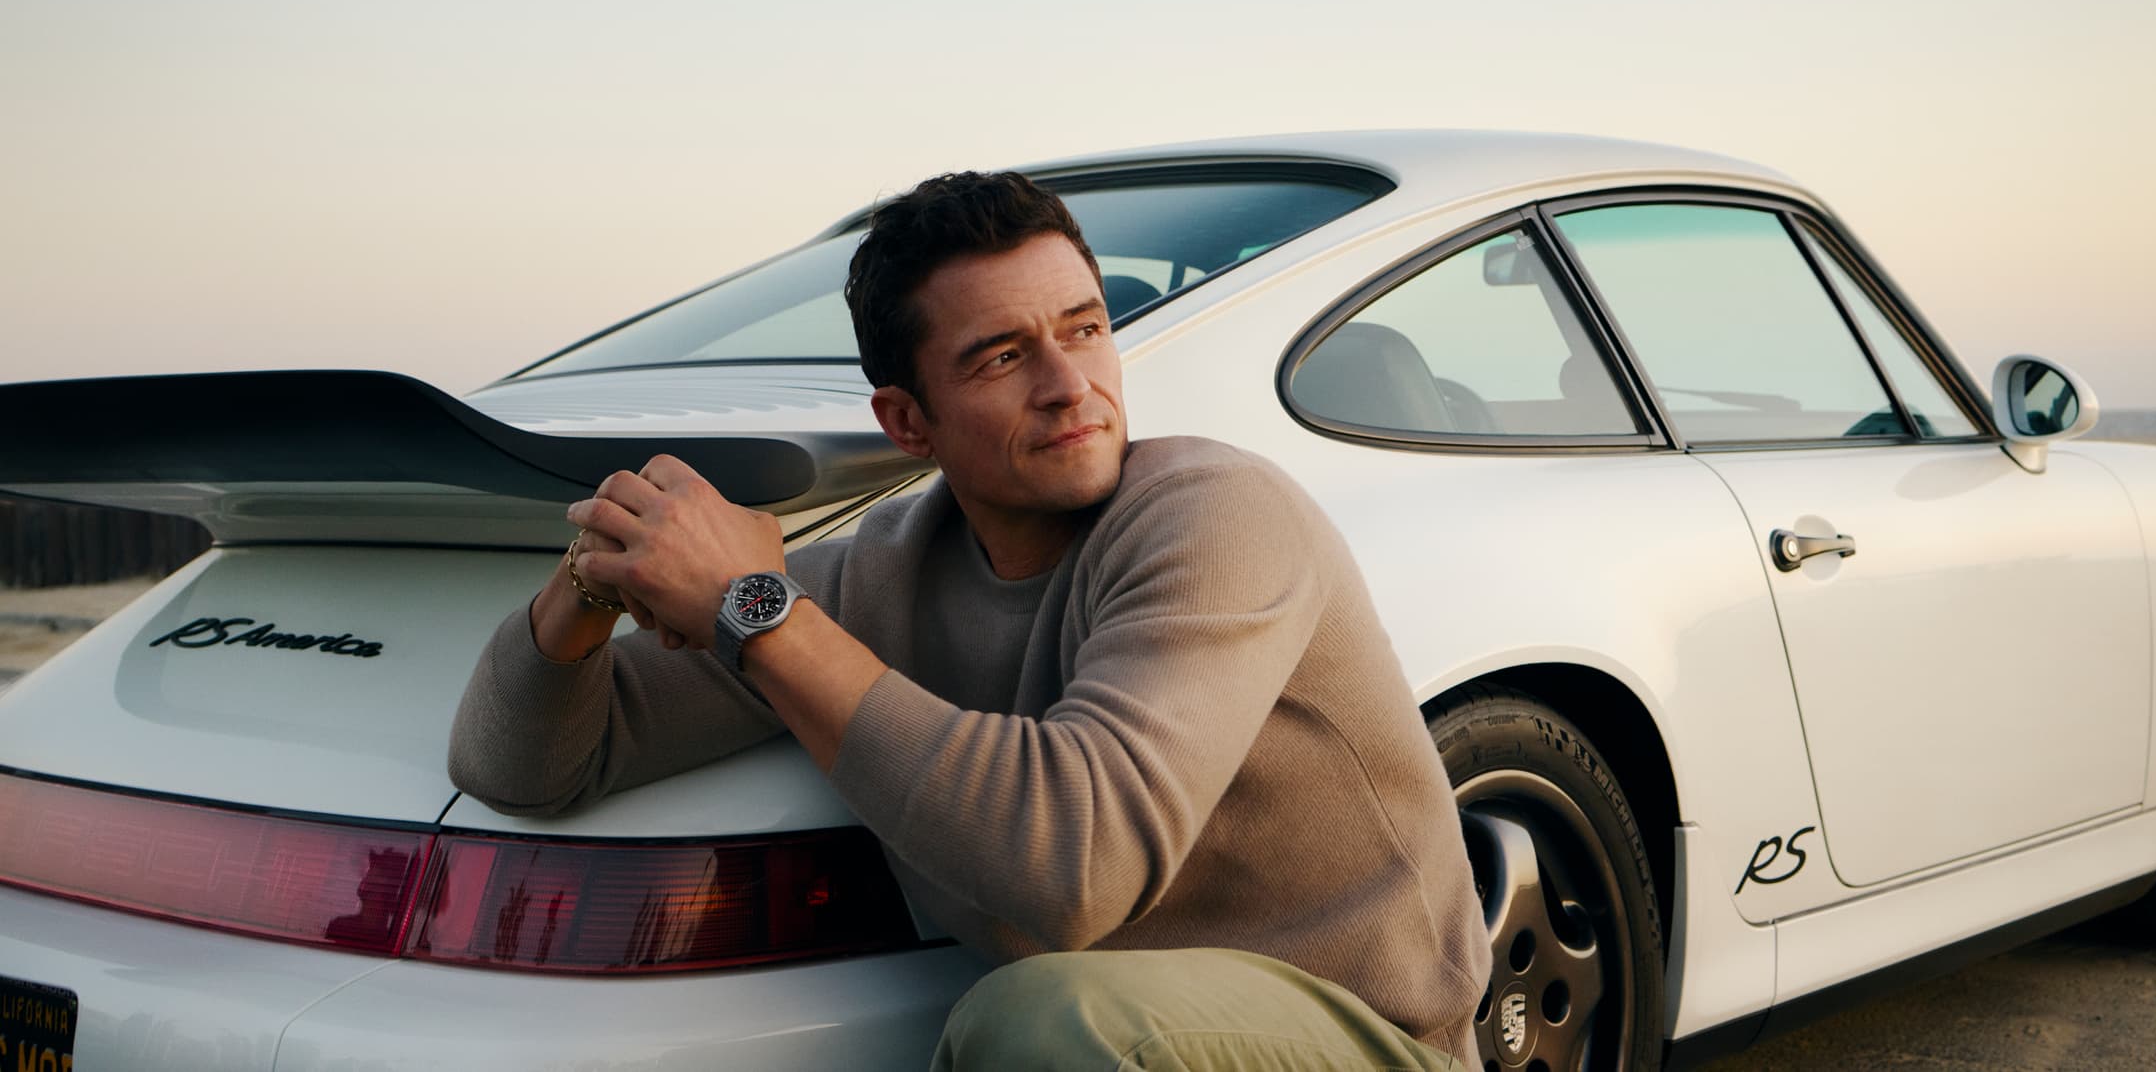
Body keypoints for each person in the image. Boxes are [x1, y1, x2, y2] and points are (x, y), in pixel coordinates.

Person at [446, 170, 1492, 1070]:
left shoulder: (1217, 515)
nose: (1069, 385)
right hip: (1127, 1044)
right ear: (907, 422)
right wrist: (592, 579)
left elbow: (1078, 868)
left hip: (1369, 1038)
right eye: (1002, 356)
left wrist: (756, 611)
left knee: (1038, 1016)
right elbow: (528, 764)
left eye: (1085, 329)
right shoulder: (880, 575)